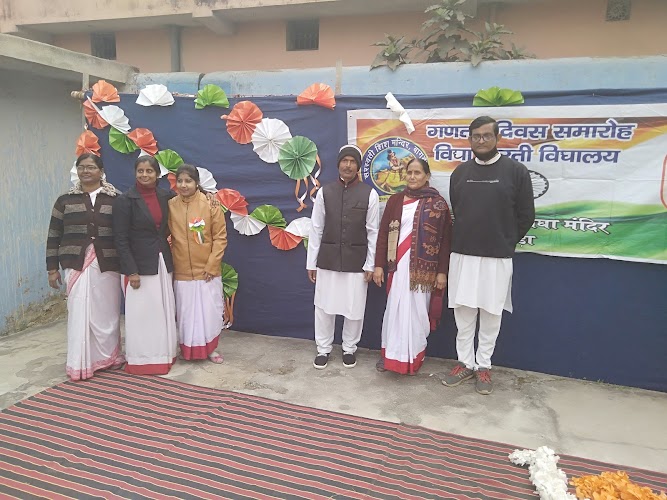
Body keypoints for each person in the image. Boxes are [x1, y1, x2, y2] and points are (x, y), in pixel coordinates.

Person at [442, 116, 535, 395]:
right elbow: (458, 210)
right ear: (470, 139)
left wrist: (505, 240)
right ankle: (465, 363)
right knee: (463, 312)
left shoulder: (516, 172)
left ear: (497, 138)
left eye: (486, 136)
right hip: (463, 254)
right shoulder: (460, 173)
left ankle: (483, 366)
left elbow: (526, 215)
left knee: (492, 313)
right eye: (476, 136)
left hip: (497, 257)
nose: (480, 141)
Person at [46, 153, 124, 381]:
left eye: (91, 167)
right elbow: (53, 235)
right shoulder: (64, 201)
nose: (86, 171)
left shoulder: (116, 199)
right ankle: (80, 361)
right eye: (81, 167)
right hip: (75, 264)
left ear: (101, 171)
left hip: (108, 265)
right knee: (79, 311)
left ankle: (108, 357)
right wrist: (52, 268)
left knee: (106, 312)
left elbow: (124, 234)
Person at [374, 158, 452, 375]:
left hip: (423, 274)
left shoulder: (438, 204)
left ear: (427, 176)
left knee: (416, 315)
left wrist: (442, 272)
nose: (412, 177)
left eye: (417, 173)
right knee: (395, 311)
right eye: (409, 172)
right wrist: (379, 265)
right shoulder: (395, 201)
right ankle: (391, 355)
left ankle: (413, 358)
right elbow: (383, 234)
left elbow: (445, 241)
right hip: (397, 268)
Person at [306, 144, 379, 369]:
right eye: (344, 161)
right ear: (338, 164)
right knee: (323, 307)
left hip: (357, 261)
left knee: (354, 308)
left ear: (358, 166)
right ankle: (323, 349)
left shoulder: (370, 194)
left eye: (352, 161)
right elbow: (316, 228)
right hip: (327, 260)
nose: (348, 165)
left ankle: (349, 348)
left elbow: (373, 232)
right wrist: (311, 263)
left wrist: (370, 264)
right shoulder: (324, 192)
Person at [113, 156, 178, 375]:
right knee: (142, 314)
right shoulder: (125, 201)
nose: (144, 175)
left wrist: (211, 199)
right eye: (140, 171)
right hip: (139, 266)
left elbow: (189, 201)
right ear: (135, 173)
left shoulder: (166, 196)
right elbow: (120, 239)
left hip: (162, 261)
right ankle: (142, 360)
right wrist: (131, 271)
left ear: (157, 174)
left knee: (162, 311)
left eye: (149, 171)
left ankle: (164, 355)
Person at [168, 165, 227, 364]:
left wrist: (212, 265)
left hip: (207, 271)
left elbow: (220, 238)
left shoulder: (210, 204)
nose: (184, 185)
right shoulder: (170, 205)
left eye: (188, 181)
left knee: (209, 313)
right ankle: (188, 350)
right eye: (180, 181)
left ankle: (211, 349)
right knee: (186, 315)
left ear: (197, 183)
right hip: (182, 270)